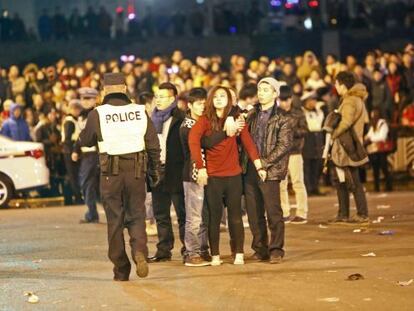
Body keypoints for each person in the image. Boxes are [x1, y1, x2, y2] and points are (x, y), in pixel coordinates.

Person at [78, 73, 161, 281]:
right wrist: (154, 171)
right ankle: (139, 251)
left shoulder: (98, 113)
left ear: (105, 90)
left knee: (115, 220)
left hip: (110, 174)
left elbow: (85, 141)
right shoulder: (140, 111)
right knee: (137, 215)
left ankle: (121, 269)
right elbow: (153, 144)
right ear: (125, 88)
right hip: (136, 172)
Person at [189, 86, 262, 266]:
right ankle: (215, 255)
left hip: (233, 175)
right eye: (216, 96)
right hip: (213, 176)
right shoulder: (205, 120)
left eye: (223, 96)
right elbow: (193, 141)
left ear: (229, 100)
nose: (219, 99)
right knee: (214, 217)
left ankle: (239, 253)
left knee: (235, 216)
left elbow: (248, 142)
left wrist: (258, 164)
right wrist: (201, 167)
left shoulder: (236, 118)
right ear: (210, 100)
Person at [242, 77, 293, 264]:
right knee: (254, 212)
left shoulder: (283, 118)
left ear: (275, 94)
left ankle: (276, 249)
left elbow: (284, 145)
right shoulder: (251, 114)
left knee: (273, 211)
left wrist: (263, 163)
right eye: (260, 89)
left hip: (270, 170)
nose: (261, 93)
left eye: (265, 90)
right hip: (249, 168)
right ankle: (260, 248)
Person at [148, 82, 186, 263]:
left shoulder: (181, 117)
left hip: (176, 170)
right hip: (157, 170)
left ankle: (189, 249)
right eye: (157, 97)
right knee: (160, 214)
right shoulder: (151, 119)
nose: (158, 100)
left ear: (173, 98)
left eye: (162, 97)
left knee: (182, 213)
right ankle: (164, 250)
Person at [329, 71, 370, 224]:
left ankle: (361, 213)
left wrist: (333, 134)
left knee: (352, 182)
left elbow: (345, 122)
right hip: (350, 144)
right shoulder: (357, 99)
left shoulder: (350, 101)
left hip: (345, 147)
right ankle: (343, 213)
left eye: (336, 83)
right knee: (341, 180)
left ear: (343, 85)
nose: (335, 86)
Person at [179, 88, 210, 267]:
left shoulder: (202, 123)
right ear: (190, 105)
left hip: (203, 172)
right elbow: (195, 151)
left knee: (204, 214)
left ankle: (202, 249)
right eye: (198, 103)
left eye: (205, 103)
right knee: (194, 216)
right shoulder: (188, 126)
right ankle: (192, 252)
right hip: (192, 173)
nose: (202, 106)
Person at [278, 85, 309, 224]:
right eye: (282, 100)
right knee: (281, 184)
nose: (285, 103)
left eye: (287, 99)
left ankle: (302, 213)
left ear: (291, 99)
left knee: (298, 183)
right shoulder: (276, 113)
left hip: (295, 151)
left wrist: (291, 131)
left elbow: (305, 129)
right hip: (280, 153)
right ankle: (284, 212)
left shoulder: (298, 112)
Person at [72, 87, 100, 223]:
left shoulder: (96, 113)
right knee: (87, 184)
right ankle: (92, 213)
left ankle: (94, 214)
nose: (85, 101)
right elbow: (80, 136)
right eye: (83, 98)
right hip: (87, 154)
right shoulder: (82, 115)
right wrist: (75, 150)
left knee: (95, 185)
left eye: (89, 98)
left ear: (95, 100)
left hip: (96, 152)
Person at [302, 90, 325, 196]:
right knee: (307, 165)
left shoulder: (318, 112)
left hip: (318, 137)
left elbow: (320, 123)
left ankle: (315, 187)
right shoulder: (303, 112)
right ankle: (308, 188)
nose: (314, 102)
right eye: (312, 100)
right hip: (308, 137)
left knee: (317, 164)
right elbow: (309, 125)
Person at [365, 108, 393, 192]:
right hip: (374, 151)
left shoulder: (382, 124)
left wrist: (371, 139)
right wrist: (367, 138)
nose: (373, 118)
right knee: (375, 169)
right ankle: (376, 187)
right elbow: (369, 135)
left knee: (384, 168)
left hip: (382, 151)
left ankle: (389, 186)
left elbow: (382, 137)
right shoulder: (373, 125)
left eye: (374, 116)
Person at [61, 99, 83, 205]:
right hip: (70, 150)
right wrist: (73, 151)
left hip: (69, 150)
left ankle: (70, 198)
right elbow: (68, 138)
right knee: (73, 175)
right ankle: (77, 198)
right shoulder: (70, 121)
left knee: (72, 175)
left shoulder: (71, 120)